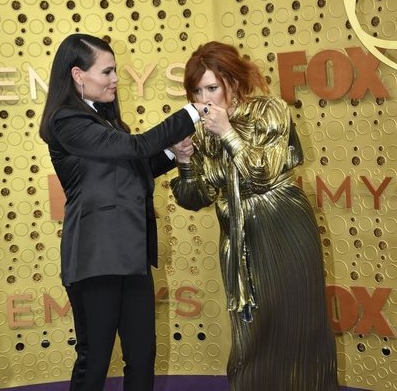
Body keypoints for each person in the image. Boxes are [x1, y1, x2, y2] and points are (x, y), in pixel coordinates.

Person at [39, 33, 207, 391]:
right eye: (107, 71)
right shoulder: (66, 121)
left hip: (131, 255)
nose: (116, 79)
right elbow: (138, 146)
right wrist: (196, 109)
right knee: (95, 358)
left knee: (142, 356)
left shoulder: (107, 122)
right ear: (77, 75)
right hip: (94, 258)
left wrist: (174, 156)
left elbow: (136, 168)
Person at [170, 41, 339, 390]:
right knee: (252, 330)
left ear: (233, 81)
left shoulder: (269, 110)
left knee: (299, 324)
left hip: (285, 227)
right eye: (197, 91)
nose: (206, 99)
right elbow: (195, 197)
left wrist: (228, 133)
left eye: (212, 87)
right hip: (239, 237)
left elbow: (262, 173)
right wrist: (185, 163)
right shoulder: (201, 130)